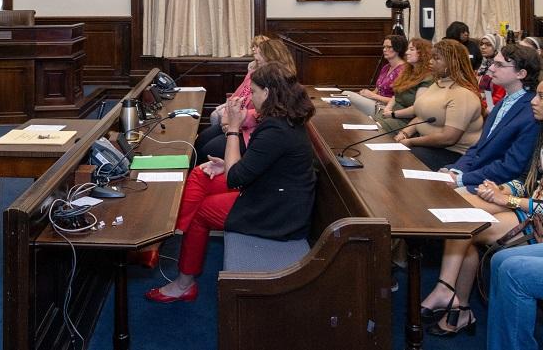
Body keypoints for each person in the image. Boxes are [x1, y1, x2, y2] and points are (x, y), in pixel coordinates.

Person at [144, 63, 316, 303]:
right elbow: (259, 164)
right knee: (201, 175)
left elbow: (236, 178)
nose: (250, 98)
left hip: (277, 212)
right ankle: (174, 232)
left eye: (254, 92)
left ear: (267, 93)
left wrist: (233, 128)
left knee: (202, 213)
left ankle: (184, 283)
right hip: (271, 189)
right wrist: (226, 165)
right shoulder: (281, 119)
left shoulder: (276, 130)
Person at [419, 78, 543, 338]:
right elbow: (528, 182)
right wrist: (505, 190)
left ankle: (452, 297)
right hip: (529, 210)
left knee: (466, 226)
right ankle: (456, 302)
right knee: (463, 222)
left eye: (541, 97)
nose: (532, 100)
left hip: (536, 218)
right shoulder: (540, 132)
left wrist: (506, 199)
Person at [441, 44, 541, 190]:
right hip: (478, 174)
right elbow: (479, 147)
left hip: (499, 185)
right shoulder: (505, 101)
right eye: (494, 63)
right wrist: (456, 170)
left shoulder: (532, 111)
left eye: (499, 65)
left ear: (521, 74)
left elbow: (511, 166)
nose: (491, 68)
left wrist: (461, 179)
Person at [194, 37, 295, 164]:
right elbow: (234, 97)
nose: (256, 57)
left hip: (251, 132)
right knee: (201, 139)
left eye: (259, 56)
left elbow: (267, 114)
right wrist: (226, 121)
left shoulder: (281, 83)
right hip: (235, 123)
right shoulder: (255, 74)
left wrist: (236, 121)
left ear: (271, 59)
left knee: (209, 150)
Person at [395, 40, 483, 170]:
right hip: (428, 146)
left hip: (454, 154)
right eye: (431, 57)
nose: (430, 62)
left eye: (436, 59)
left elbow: (448, 138)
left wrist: (410, 142)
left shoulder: (463, 94)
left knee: (403, 158)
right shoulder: (437, 84)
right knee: (393, 153)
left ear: (452, 63)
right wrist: (405, 133)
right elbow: (422, 116)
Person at [376, 38, 433, 131]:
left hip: (405, 120)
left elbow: (417, 109)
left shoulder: (427, 78)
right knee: (367, 123)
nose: (407, 52)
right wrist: (387, 109)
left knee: (373, 130)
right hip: (390, 114)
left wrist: (392, 114)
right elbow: (396, 95)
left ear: (423, 53)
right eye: (407, 49)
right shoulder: (407, 71)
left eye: (411, 49)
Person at [344, 34, 407, 117]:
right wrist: (365, 94)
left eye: (389, 47)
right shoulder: (386, 67)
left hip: (386, 108)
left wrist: (373, 96)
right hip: (375, 102)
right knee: (345, 96)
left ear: (398, 49)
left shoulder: (404, 70)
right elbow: (377, 90)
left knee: (346, 95)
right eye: (384, 47)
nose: (384, 50)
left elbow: (399, 101)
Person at [477, 33, 506, 108]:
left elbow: (498, 97)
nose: (483, 47)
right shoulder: (483, 64)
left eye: (488, 44)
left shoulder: (500, 67)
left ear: (496, 47)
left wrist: (481, 106)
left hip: (492, 108)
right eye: (481, 44)